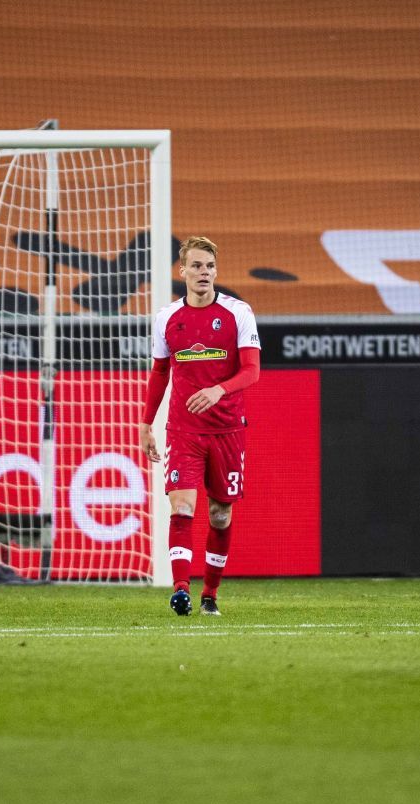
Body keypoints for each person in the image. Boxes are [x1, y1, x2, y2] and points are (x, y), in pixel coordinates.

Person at [140, 236, 261, 616]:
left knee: (220, 514)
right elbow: (160, 373)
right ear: (183, 272)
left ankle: (210, 594)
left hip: (226, 430)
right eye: (196, 266)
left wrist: (218, 390)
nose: (203, 273)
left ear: (215, 272)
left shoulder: (238, 313)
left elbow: (252, 371)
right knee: (182, 506)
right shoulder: (167, 318)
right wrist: (146, 425)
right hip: (183, 430)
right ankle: (181, 590)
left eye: (209, 266)